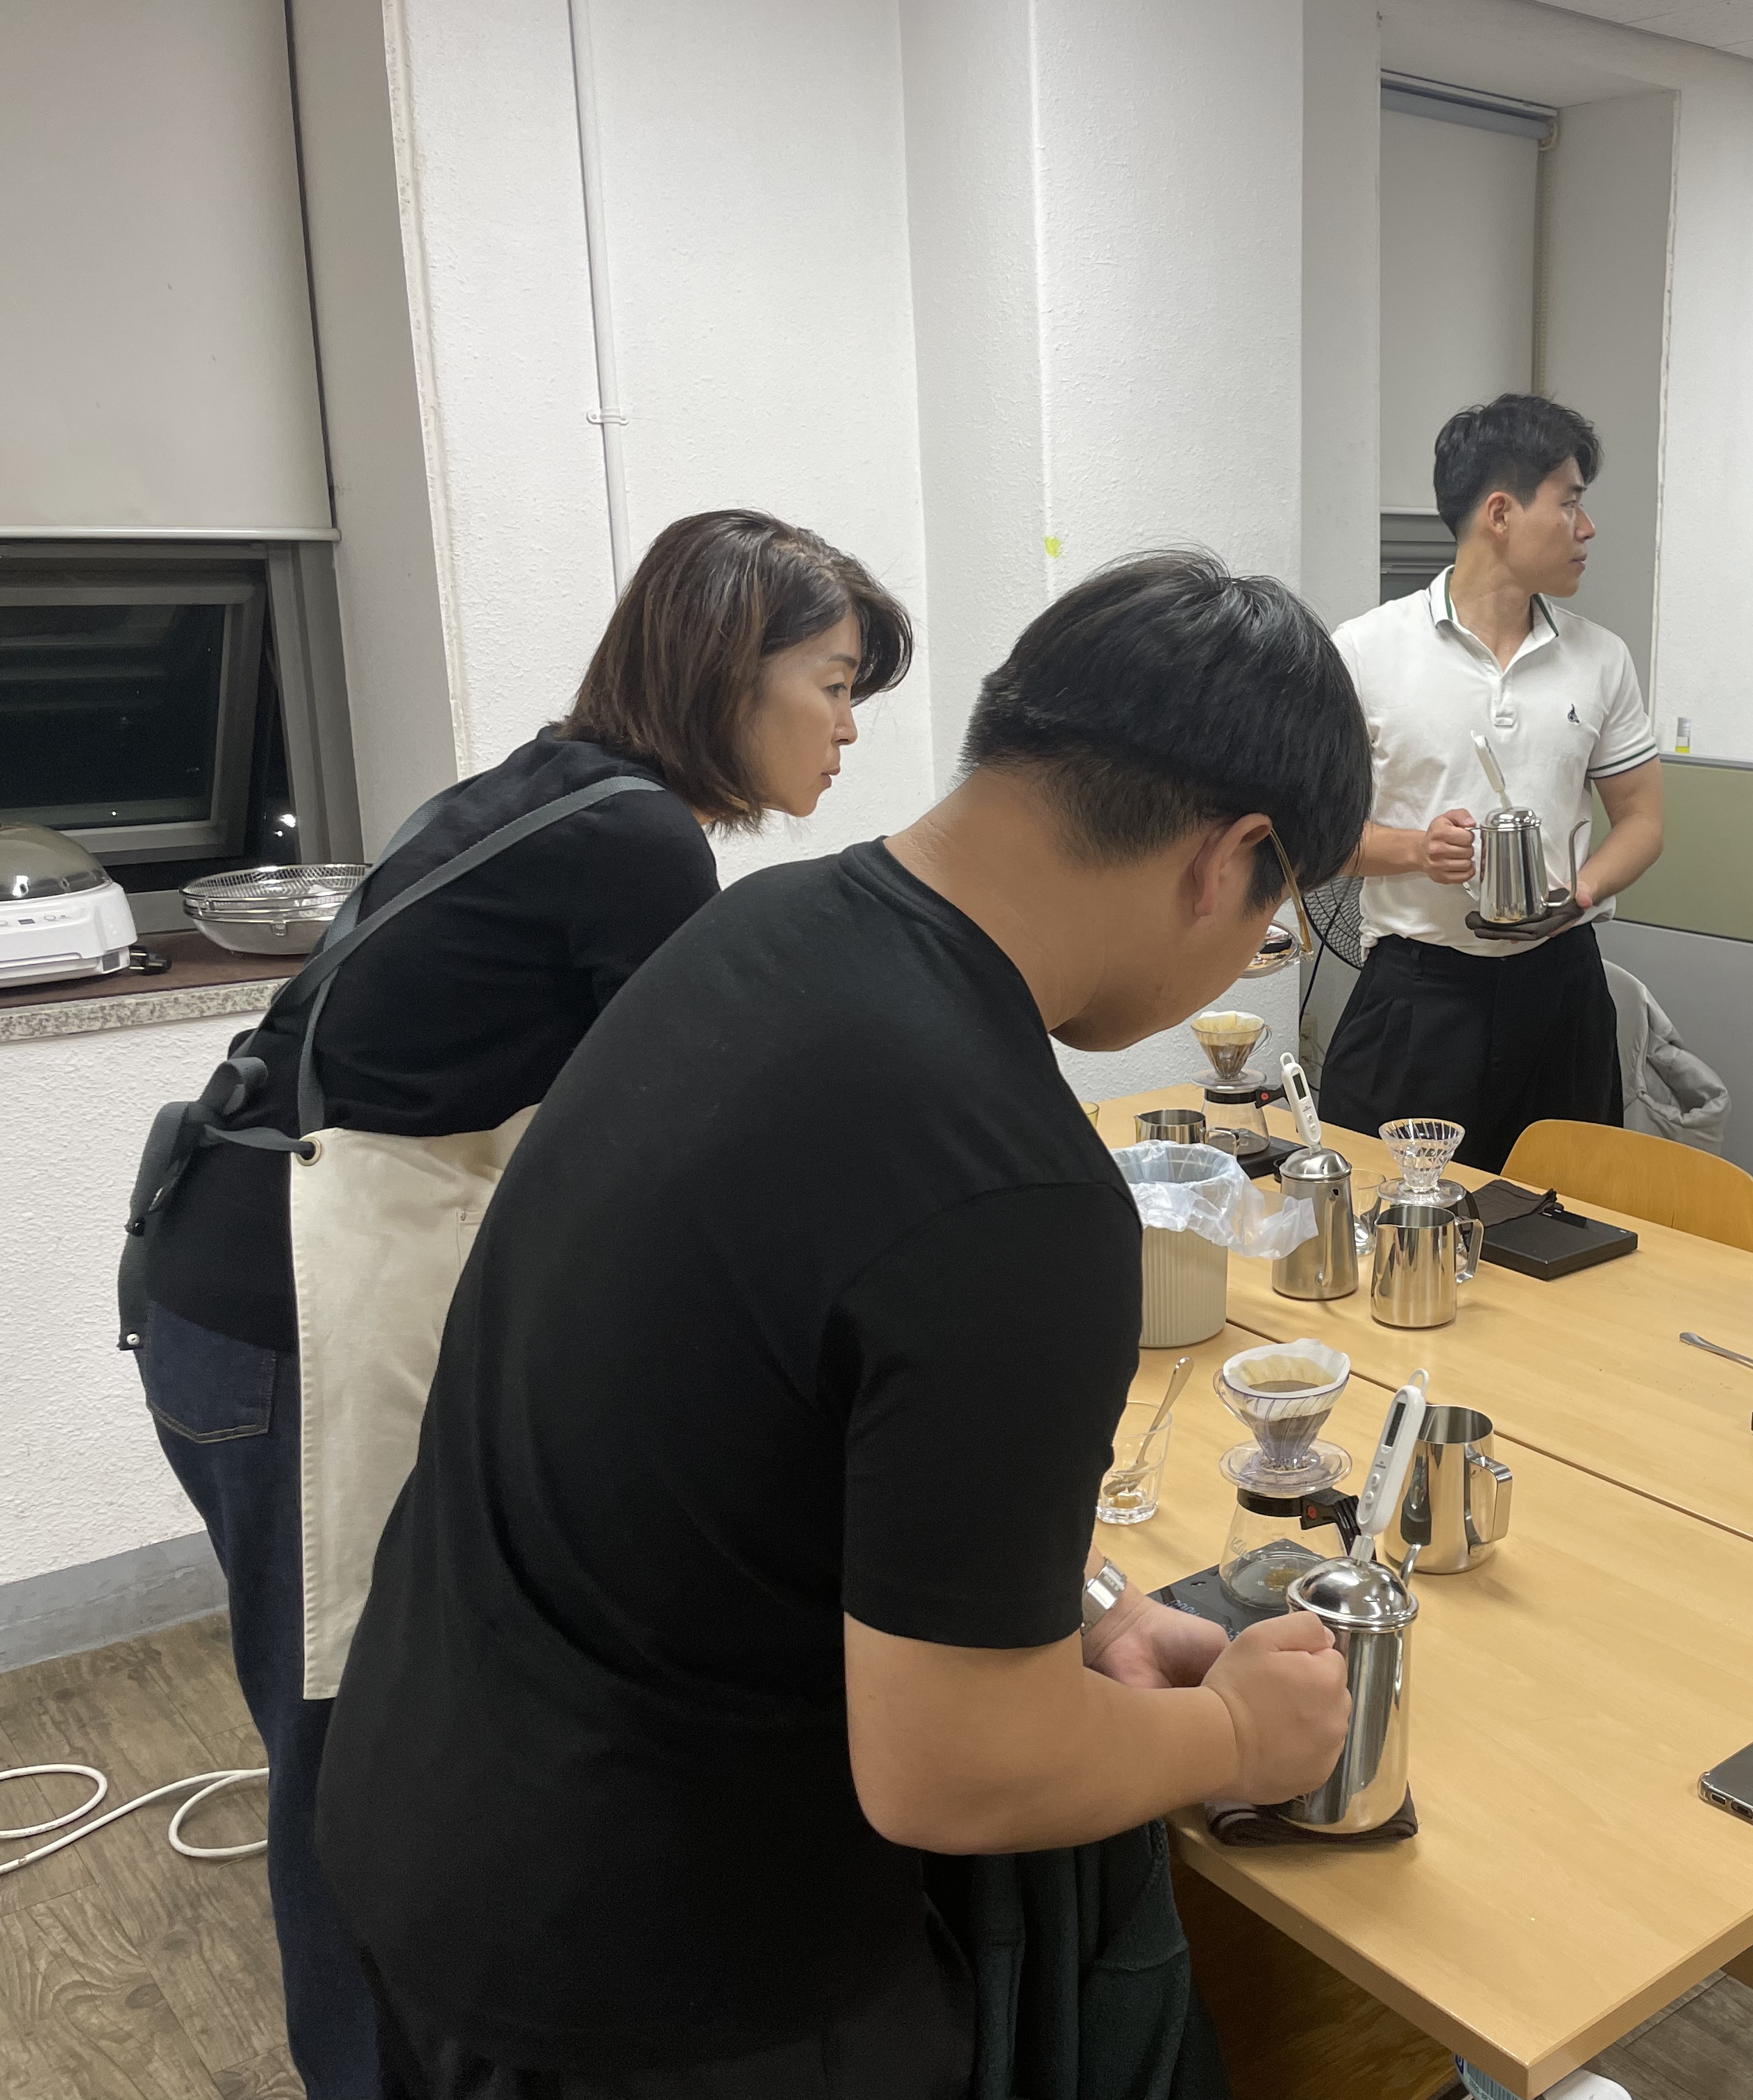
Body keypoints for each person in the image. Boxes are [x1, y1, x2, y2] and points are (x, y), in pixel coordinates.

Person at [315, 552, 1365, 2098]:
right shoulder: (1010, 1186)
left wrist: (1067, 1614)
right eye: (1277, 923)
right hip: (652, 1962)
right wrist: (1237, 1742)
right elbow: (956, 1770)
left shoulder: (763, 931)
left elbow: (742, 1426)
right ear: (1232, 858)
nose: (1249, 955)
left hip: (431, 1803)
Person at [125, 510, 910, 2100]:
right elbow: (701, 1141)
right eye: (833, 685)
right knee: (347, 1740)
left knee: (367, 1721)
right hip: (283, 1311)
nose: (846, 730)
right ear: (730, 671)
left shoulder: (557, 787)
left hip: (220, 1273)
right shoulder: (639, 845)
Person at [1321, 393, 1665, 1171]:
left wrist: (1580, 891)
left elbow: (1643, 820)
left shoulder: (1601, 657)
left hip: (1562, 989)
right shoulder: (1367, 651)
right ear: (1501, 514)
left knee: (1566, 1214)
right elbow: (1314, 837)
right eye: (1570, 503)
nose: (1587, 528)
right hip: (1418, 995)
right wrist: (1416, 850)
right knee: (1390, 1213)